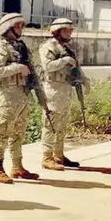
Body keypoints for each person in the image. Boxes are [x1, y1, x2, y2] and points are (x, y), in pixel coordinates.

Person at [0, 12, 40, 183]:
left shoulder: (21, 46)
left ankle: (17, 166)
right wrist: (17, 68)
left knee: (19, 132)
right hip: (8, 95)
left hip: (22, 94)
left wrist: (39, 93)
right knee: (2, 130)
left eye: (22, 26)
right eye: (18, 26)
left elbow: (31, 70)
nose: (21, 29)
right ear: (8, 28)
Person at [39, 18, 90, 170]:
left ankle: (58, 154)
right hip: (53, 88)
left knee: (62, 124)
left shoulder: (67, 49)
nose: (69, 33)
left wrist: (85, 81)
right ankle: (47, 157)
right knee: (51, 124)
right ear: (57, 31)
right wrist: (64, 61)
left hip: (66, 89)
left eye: (70, 30)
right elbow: (48, 66)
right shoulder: (48, 47)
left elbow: (76, 68)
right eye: (66, 30)